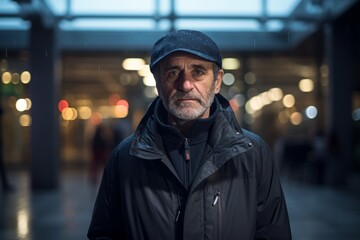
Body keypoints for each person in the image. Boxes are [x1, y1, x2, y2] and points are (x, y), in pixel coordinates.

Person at [87, 29, 292, 240]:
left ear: (217, 81)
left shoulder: (253, 153)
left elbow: (273, 234)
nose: (185, 84)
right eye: (173, 73)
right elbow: (105, 234)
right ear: (158, 82)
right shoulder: (125, 157)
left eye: (198, 72)